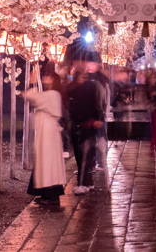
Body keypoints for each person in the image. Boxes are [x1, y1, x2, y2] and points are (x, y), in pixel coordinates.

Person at [23, 70, 66, 206]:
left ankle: (51, 195)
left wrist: (32, 82)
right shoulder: (52, 94)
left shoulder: (52, 94)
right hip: (47, 131)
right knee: (46, 161)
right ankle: (47, 193)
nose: (44, 77)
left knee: (48, 162)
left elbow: (33, 97)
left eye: (48, 76)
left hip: (48, 133)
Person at [65, 60, 105, 194]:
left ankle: (82, 183)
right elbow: (68, 93)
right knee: (79, 153)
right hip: (77, 121)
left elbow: (97, 103)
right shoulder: (74, 86)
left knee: (86, 153)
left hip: (88, 122)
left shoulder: (91, 86)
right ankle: (87, 181)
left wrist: (98, 119)